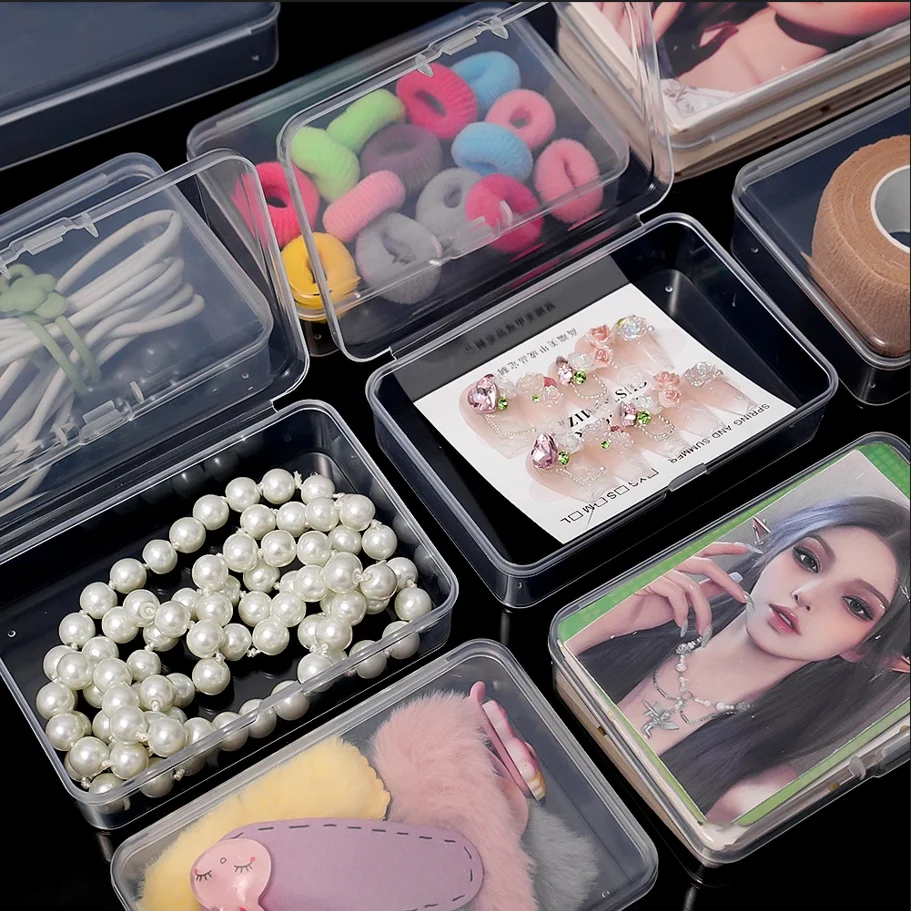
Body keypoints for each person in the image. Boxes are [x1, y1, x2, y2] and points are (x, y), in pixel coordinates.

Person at [567, 496, 910, 823]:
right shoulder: (633, 616)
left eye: (856, 605)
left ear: (866, 649)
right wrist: (601, 624)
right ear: (774, 548)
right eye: (807, 559)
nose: (805, 594)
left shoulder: (755, 795)